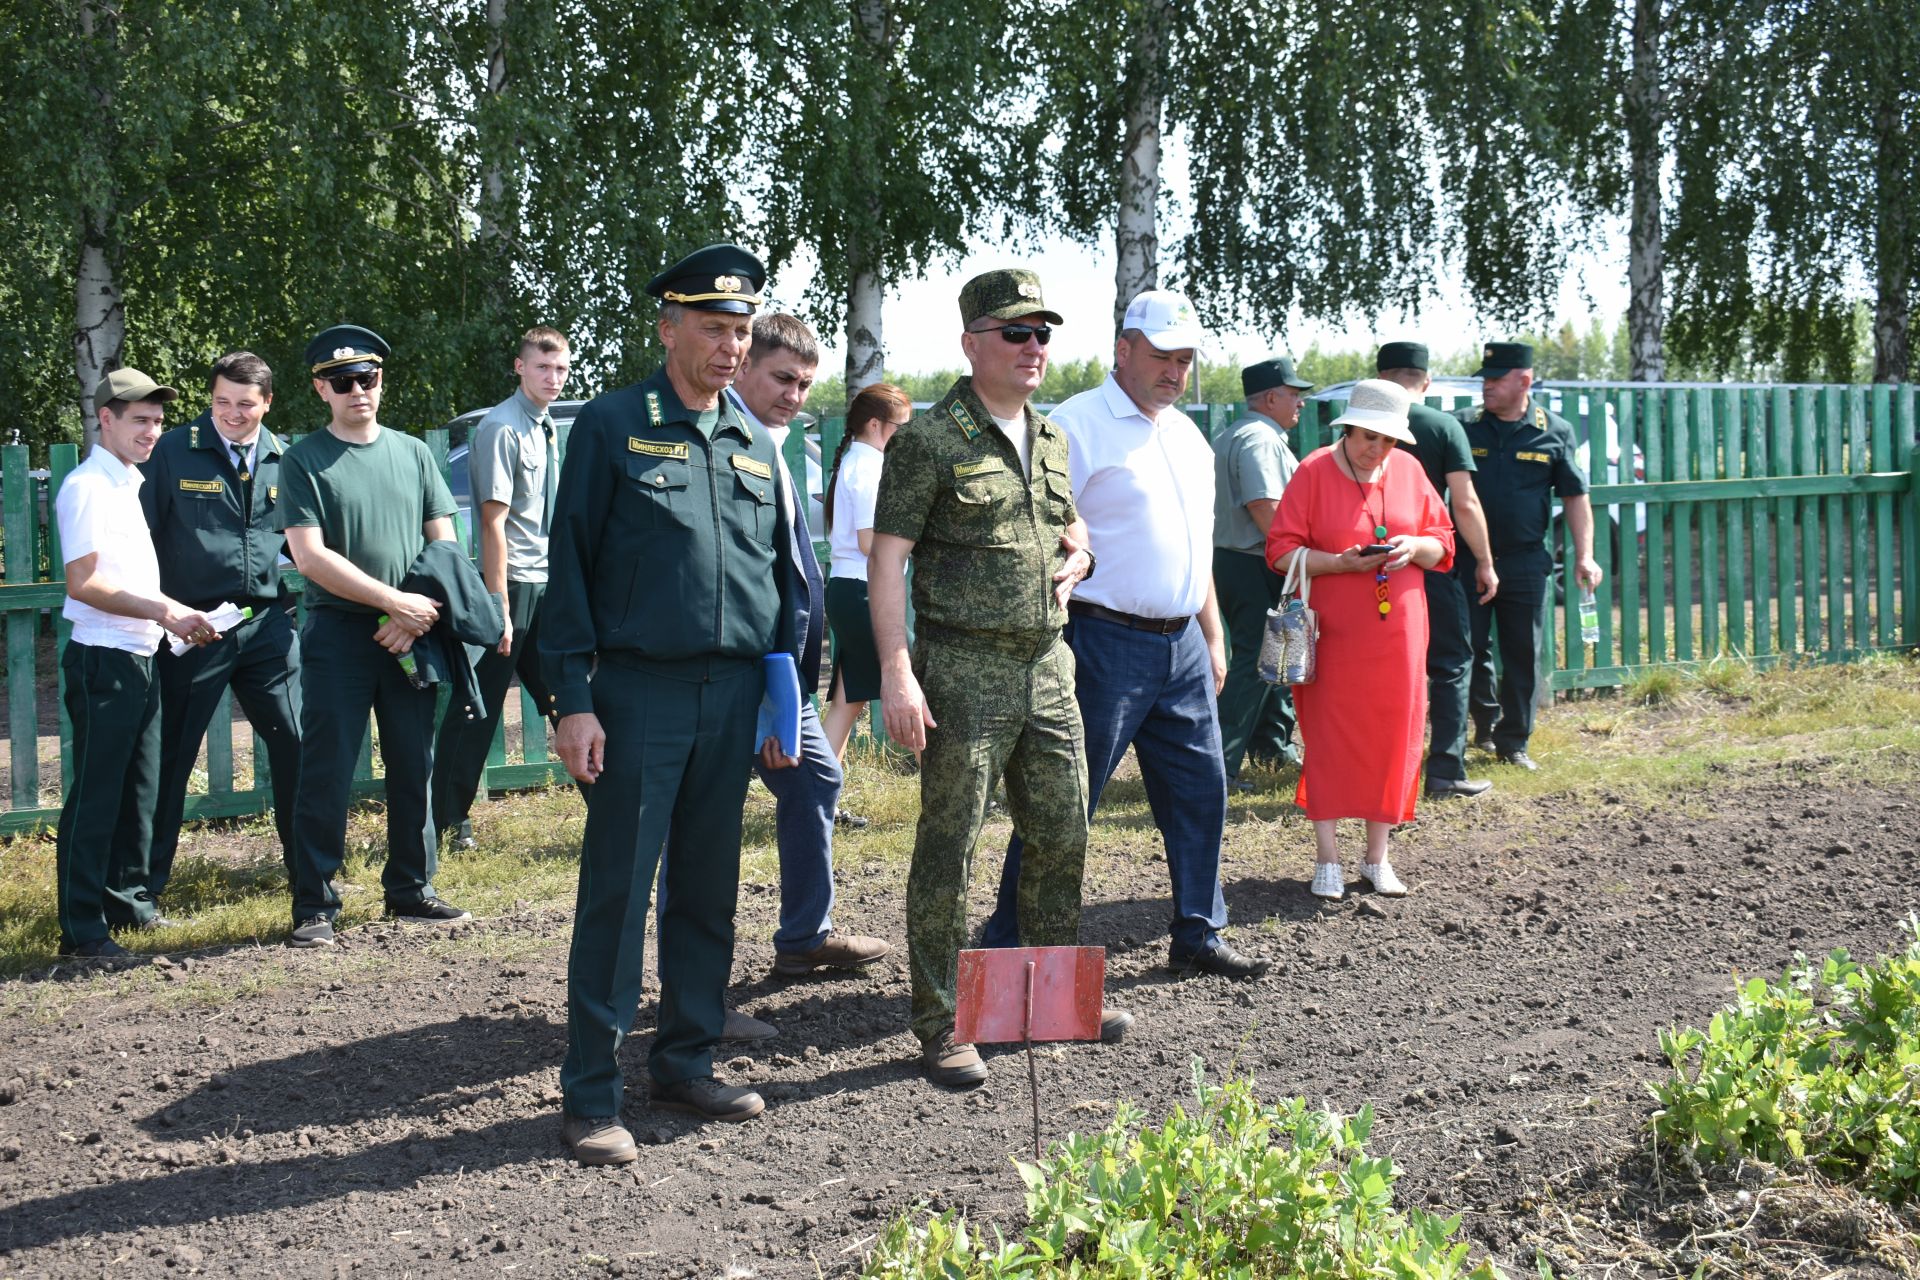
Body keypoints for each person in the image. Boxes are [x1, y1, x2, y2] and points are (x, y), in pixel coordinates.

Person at [543, 244, 803, 1163]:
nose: (731, 348)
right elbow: (565, 570)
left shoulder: (755, 441)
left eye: (741, 331)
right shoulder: (613, 426)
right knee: (617, 894)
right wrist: (572, 699)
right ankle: (590, 1092)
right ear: (668, 328)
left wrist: (784, 696)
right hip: (639, 690)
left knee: (708, 886)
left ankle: (687, 1057)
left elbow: (785, 581)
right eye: (713, 329)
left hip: (734, 695)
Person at [869, 267, 1130, 1090]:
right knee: (950, 848)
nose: (1034, 347)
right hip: (963, 667)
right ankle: (942, 1022)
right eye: (1016, 332)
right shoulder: (929, 440)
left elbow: (1068, 520)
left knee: (1063, 831)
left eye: (1043, 332)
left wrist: (1081, 553)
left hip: (1048, 663)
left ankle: (1050, 1003)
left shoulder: (1050, 436)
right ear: (971, 342)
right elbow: (886, 563)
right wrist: (897, 673)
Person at [982, 289, 1267, 981]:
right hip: (1102, 640)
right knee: (1065, 797)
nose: (1175, 371)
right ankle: (1008, 940)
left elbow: (1191, 546)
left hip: (1183, 645)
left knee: (1202, 789)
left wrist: (1213, 633)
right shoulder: (1074, 427)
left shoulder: (1189, 435)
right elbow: (1039, 534)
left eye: (1186, 360)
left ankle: (1198, 929)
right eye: (1163, 356)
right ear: (1124, 350)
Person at [709, 314, 891, 982]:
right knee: (706, 823)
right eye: (782, 377)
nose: (795, 394)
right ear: (744, 367)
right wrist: (766, 704)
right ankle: (696, 988)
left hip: (782, 678)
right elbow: (734, 577)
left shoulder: (770, 442)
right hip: (739, 677)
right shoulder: (726, 442)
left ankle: (804, 936)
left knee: (817, 776)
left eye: (806, 383)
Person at [278, 325, 469, 949]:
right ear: (320, 389)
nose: (358, 390)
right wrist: (391, 603)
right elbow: (309, 557)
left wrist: (414, 613)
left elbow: (445, 545)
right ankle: (315, 905)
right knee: (327, 768)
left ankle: (412, 889)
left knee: (415, 761)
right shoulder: (304, 458)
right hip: (339, 632)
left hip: (413, 631)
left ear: (381, 382)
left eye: (368, 378)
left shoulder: (414, 453)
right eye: (343, 382)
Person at [1266, 379, 1454, 900]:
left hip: (1400, 630)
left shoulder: (1411, 472)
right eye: (1369, 436)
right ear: (1348, 428)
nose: (1377, 449)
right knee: (1328, 734)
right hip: (1334, 632)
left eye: (1389, 440)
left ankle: (1378, 857)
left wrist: (1414, 545)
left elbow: (1442, 545)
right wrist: (1339, 563)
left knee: (1395, 735)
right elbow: (1280, 551)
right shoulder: (1314, 470)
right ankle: (1327, 856)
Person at [53, 369, 219, 958]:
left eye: (157, 420)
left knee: (138, 790)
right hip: (104, 657)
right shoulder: (86, 487)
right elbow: (86, 583)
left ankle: (126, 906)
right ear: (106, 420)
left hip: (140, 652)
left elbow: (130, 579)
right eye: (139, 420)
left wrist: (183, 613)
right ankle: (81, 930)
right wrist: (165, 612)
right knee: (98, 794)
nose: (152, 431)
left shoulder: (126, 481)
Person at [140, 352, 303, 911]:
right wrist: (164, 611)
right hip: (193, 625)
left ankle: (309, 873)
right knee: (170, 756)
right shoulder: (173, 450)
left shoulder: (286, 459)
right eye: (220, 403)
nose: (230, 415)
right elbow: (144, 534)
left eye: (244, 405)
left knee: (298, 744)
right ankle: (144, 886)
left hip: (265, 625)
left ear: (267, 404)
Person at [430, 326, 570, 851]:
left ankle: (608, 801)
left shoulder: (544, 425)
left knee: (564, 695)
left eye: (560, 369)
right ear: (519, 367)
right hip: (509, 583)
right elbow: (491, 522)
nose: (552, 378)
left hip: (544, 580)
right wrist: (499, 607)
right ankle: (444, 819)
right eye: (542, 367)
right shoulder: (502, 427)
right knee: (479, 706)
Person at [1453, 342, 1601, 770]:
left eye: (1496, 379)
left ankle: (1513, 742)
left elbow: (1575, 496)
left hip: (1523, 562)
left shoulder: (1554, 431)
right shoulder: (1464, 427)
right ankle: (1481, 724)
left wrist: (1585, 556)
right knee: (1468, 649)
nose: (1487, 386)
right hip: (1467, 559)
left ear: (1524, 381)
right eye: (1484, 379)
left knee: (1523, 654)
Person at [1371, 341, 1499, 800]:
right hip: (1431, 558)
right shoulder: (1444, 426)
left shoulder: (1359, 429)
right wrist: (1484, 560)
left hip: (1374, 563)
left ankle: (1377, 768)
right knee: (1449, 663)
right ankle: (1445, 768)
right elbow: (1463, 502)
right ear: (1426, 381)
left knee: (1379, 666)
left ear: (1381, 377)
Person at [1211, 356, 1313, 787]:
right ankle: (1219, 764)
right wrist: (1292, 560)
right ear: (1271, 398)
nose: (1300, 405)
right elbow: (1265, 507)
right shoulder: (1260, 439)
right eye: (1294, 395)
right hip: (1257, 560)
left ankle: (1269, 747)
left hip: (1237, 560)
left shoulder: (1234, 434)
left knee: (1276, 657)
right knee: (1258, 661)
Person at [820, 381, 913, 762]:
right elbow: (868, 542)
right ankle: (947, 797)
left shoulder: (860, 462)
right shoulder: (869, 468)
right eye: (901, 428)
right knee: (913, 688)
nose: (905, 437)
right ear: (876, 425)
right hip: (863, 592)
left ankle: (814, 796)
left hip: (852, 589)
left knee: (848, 700)